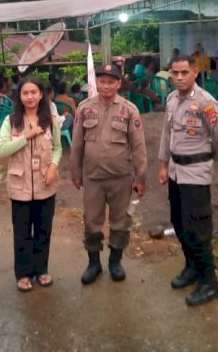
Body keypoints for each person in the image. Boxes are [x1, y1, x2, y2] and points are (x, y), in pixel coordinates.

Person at [158, 55, 218, 307]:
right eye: (174, 73)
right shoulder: (171, 100)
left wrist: (207, 159)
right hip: (176, 172)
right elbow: (167, 133)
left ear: (195, 72)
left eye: (183, 73)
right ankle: (191, 268)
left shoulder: (205, 103)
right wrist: (164, 164)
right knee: (179, 223)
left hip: (196, 174)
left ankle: (210, 283)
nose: (178, 77)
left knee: (198, 229)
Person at [70, 63, 147, 284]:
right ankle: (93, 263)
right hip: (92, 178)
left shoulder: (129, 109)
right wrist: (76, 172)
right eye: (102, 81)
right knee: (92, 222)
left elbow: (139, 147)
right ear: (97, 83)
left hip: (121, 177)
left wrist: (140, 177)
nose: (105, 86)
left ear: (118, 84)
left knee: (120, 221)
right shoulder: (84, 108)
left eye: (110, 81)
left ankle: (115, 261)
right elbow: (76, 145)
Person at [0, 78, 62, 292]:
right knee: (22, 232)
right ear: (20, 96)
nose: (30, 96)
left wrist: (53, 166)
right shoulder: (11, 121)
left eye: (34, 92)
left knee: (43, 230)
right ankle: (23, 274)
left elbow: (58, 148)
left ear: (42, 94)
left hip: (45, 184)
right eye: (25, 93)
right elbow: (2, 151)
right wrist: (26, 136)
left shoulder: (51, 120)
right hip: (20, 186)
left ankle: (41, 269)